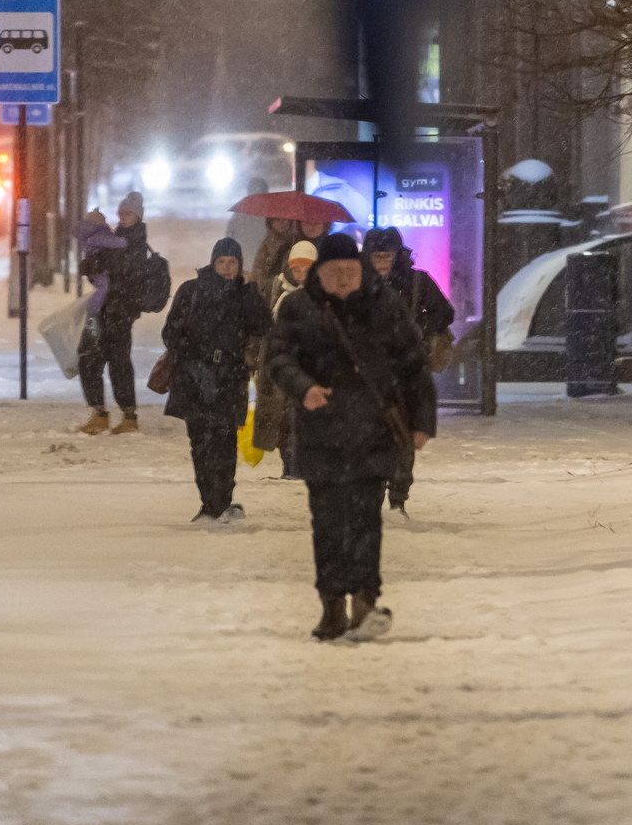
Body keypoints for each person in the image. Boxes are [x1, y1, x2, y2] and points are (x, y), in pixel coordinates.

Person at [266, 233, 436, 643]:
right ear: (318, 275)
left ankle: (364, 599)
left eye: (349, 272)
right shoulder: (297, 308)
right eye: (333, 273)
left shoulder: (385, 306)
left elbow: (414, 364)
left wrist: (421, 422)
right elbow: (277, 357)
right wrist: (302, 386)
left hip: (372, 431)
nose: (343, 281)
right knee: (326, 523)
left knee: (365, 520)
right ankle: (331, 606)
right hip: (321, 434)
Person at [162, 237, 272, 522]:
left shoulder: (243, 293)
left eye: (231, 263)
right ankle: (208, 503)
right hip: (194, 378)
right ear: (213, 263)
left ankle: (221, 502)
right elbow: (171, 332)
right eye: (221, 262)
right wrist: (194, 358)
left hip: (230, 377)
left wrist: (249, 291)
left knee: (224, 442)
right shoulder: (192, 290)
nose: (226, 268)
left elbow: (262, 325)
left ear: (239, 266)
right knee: (200, 443)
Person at [361, 226, 455, 512]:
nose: (382, 262)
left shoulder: (416, 282)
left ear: (397, 254)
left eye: (387, 255)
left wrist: (417, 328)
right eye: (377, 256)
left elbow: (445, 312)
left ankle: (398, 498)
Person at [77, 192, 152, 435]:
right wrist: (92, 268)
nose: (124, 217)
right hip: (103, 310)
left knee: (111, 361)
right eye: (121, 212)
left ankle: (123, 415)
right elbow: (104, 274)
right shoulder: (116, 236)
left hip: (116, 312)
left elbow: (123, 273)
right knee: (93, 358)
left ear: (138, 216)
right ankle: (105, 412)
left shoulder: (135, 241)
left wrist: (98, 264)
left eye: (129, 213)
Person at [251, 239, 316, 475]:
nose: (300, 275)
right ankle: (289, 463)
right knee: (280, 415)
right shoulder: (275, 289)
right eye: (296, 269)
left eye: (306, 269)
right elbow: (262, 324)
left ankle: (299, 463)